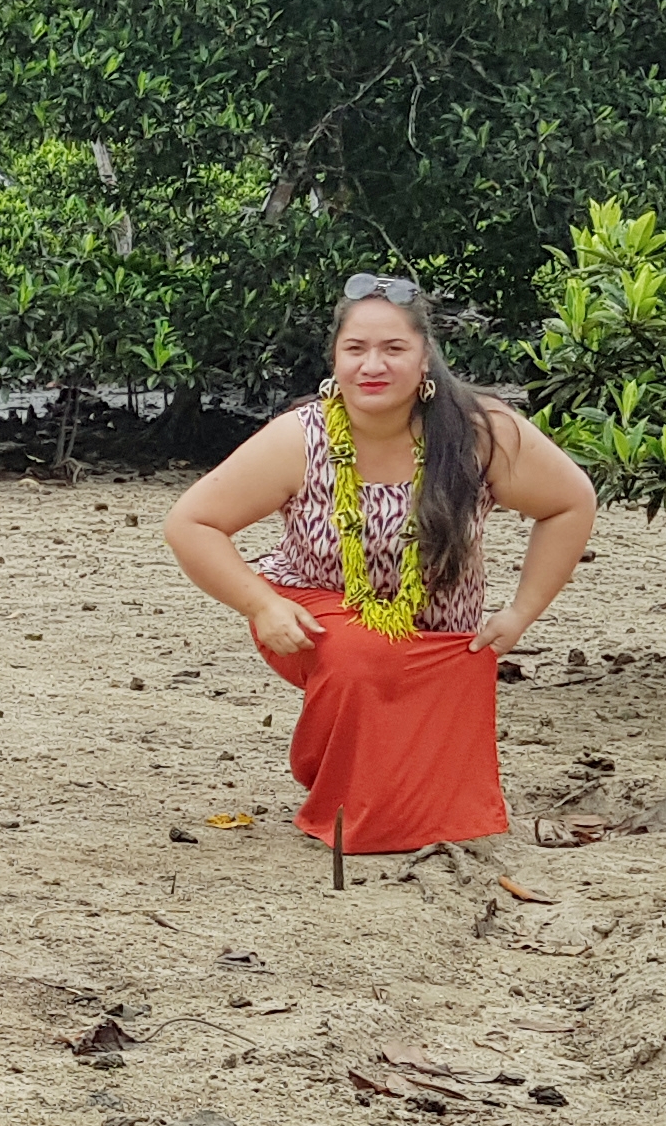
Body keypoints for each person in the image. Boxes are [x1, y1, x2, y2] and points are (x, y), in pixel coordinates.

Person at [162, 273, 597, 855]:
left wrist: (521, 613)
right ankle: (338, 794)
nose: (373, 366)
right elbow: (191, 523)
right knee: (362, 656)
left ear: (424, 359)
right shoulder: (299, 438)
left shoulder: (479, 433)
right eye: (356, 349)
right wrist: (260, 604)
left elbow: (570, 502)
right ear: (334, 360)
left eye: (393, 349)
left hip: (439, 635)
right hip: (312, 615)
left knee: (444, 815)